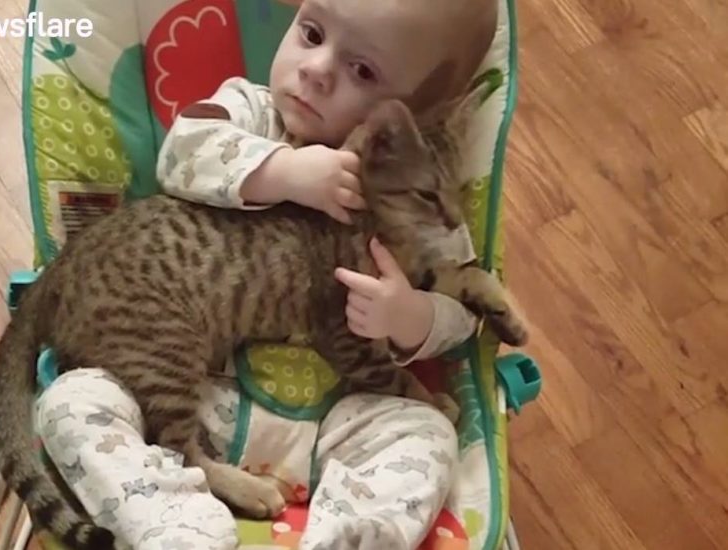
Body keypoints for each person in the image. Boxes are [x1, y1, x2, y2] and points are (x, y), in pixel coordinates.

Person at [35, 0, 498, 548]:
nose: (317, 69)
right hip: (191, 404)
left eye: (363, 71)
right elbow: (182, 153)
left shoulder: (416, 189)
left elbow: (467, 307)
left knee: (430, 434)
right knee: (70, 405)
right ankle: (177, 524)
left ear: (406, 122)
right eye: (311, 32)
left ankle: (346, 537)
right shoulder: (248, 112)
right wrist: (285, 172)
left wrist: (413, 316)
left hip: (335, 424)